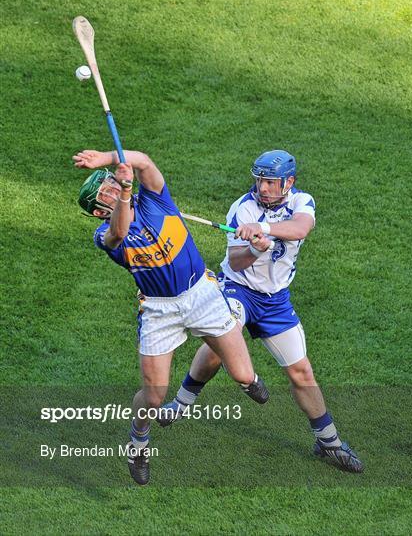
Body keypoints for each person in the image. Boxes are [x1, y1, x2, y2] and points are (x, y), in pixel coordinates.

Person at [73, 148, 269, 485]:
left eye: (109, 183)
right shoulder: (105, 235)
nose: (111, 187)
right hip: (159, 311)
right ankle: (137, 444)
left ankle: (245, 380)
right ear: (97, 211)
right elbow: (118, 232)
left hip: (202, 295)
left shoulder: (157, 202)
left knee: (244, 375)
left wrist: (108, 159)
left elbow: (144, 162)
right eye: (104, 192)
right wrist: (123, 192)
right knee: (153, 395)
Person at [160, 150, 364, 473]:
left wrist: (265, 230)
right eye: (260, 180)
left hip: (276, 301)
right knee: (220, 339)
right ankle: (181, 403)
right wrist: (254, 247)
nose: (263, 187)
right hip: (237, 288)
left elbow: (300, 229)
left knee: (302, 373)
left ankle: (329, 442)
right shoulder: (242, 209)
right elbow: (238, 261)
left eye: (270, 181)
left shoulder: (301, 202)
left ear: (289, 182)